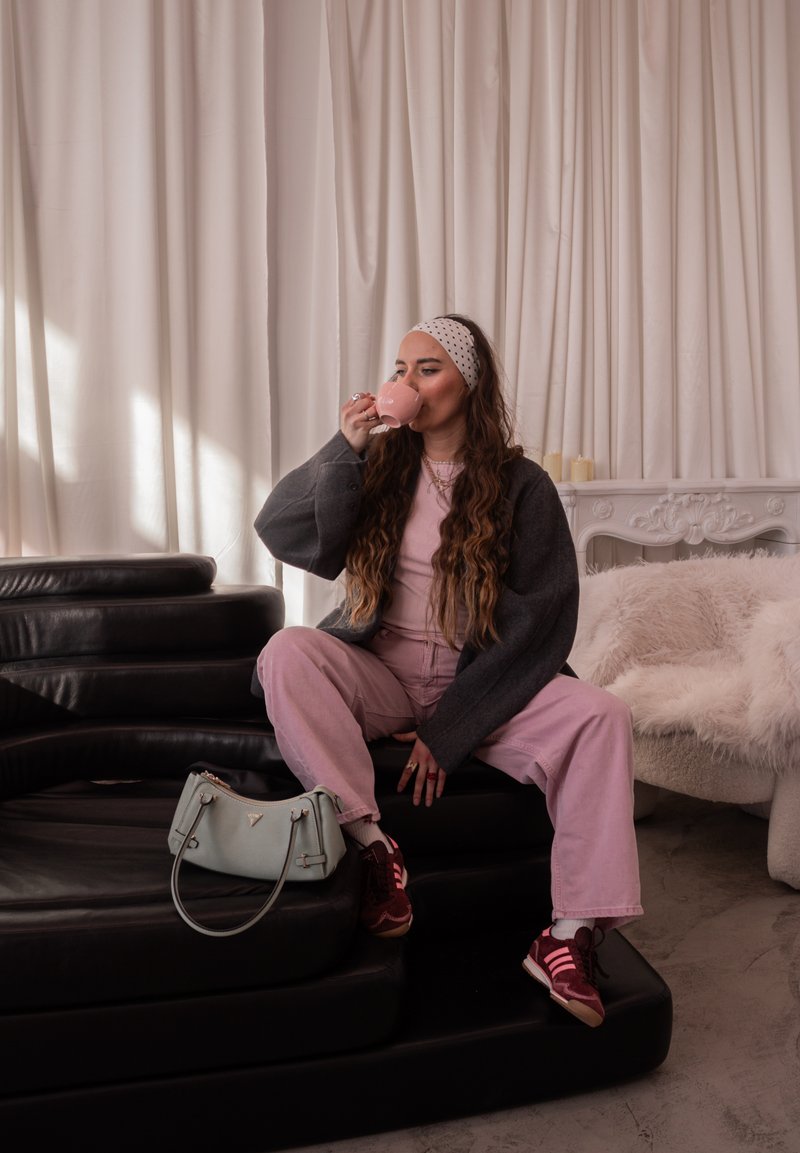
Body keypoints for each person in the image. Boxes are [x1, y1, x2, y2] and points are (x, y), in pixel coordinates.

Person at [254, 314, 642, 1028]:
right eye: (401, 369)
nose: (408, 383)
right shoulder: (376, 466)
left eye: (427, 368)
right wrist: (344, 447)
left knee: (603, 714)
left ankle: (568, 936)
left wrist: (453, 724)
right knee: (286, 653)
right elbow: (281, 528)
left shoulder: (523, 487)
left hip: (484, 683)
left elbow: (543, 626)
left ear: (470, 382)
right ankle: (373, 849)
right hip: (384, 674)